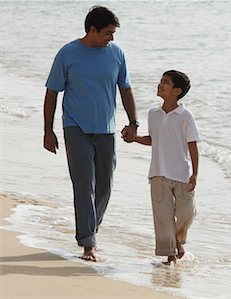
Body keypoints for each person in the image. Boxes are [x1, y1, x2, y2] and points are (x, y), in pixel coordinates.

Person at [43, 6, 139, 262]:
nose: (112, 38)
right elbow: (52, 92)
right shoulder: (67, 53)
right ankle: (88, 243)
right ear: (93, 30)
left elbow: (126, 89)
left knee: (105, 186)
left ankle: (90, 231)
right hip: (76, 128)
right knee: (84, 185)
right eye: (108, 33)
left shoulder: (116, 54)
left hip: (106, 129)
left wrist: (134, 122)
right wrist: (47, 130)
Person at [122, 70, 199, 265]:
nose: (160, 84)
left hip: (182, 173)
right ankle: (170, 255)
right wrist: (134, 139)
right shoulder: (153, 114)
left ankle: (179, 242)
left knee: (186, 213)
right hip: (157, 173)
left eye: (165, 82)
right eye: (161, 81)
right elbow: (153, 140)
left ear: (177, 91)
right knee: (163, 217)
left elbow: (192, 144)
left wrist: (195, 174)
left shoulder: (185, 116)